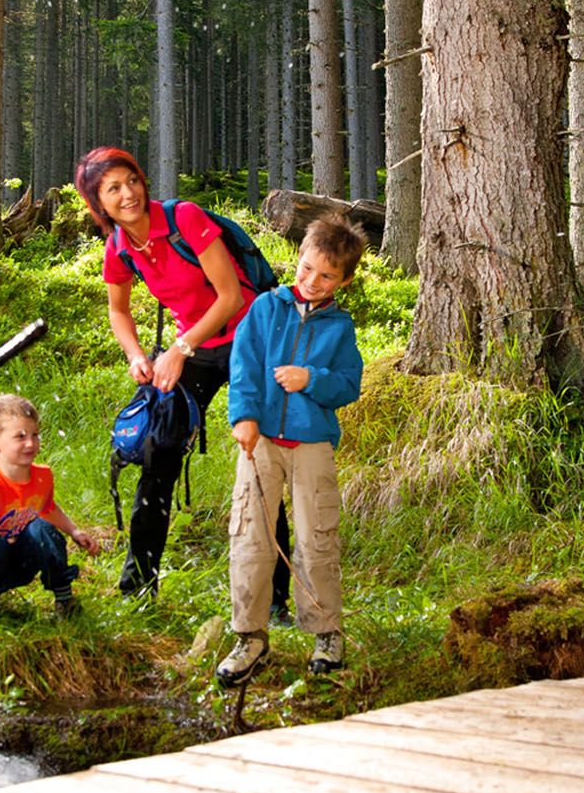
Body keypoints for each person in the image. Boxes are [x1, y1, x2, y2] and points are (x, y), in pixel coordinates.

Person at [75, 146, 292, 607]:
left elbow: (230, 295)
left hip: (249, 339)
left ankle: (275, 599)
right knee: (158, 455)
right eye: (113, 188)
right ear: (99, 203)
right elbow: (118, 310)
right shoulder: (117, 247)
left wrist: (179, 349)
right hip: (192, 348)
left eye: (131, 180)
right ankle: (139, 586)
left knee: (259, 459)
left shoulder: (184, 218)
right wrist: (136, 355)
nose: (128, 193)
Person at [216, 215, 367, 685]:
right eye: (306, 269)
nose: (312, 282)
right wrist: (243, 415)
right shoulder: (266, 309)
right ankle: (250, 635)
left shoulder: (341, 327)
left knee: (317, 536)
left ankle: (326, 631)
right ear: (296, 261)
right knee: (250, 536)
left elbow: (348, 385)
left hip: (312, 443)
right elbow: (242, 364)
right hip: (260, 441)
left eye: (326, 276)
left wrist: (312, 381)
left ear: (344, 280)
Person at [0, 393, 101, 617]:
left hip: (21, 562)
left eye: (35, 435)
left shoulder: (42, 476)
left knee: (42, 530)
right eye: (20, 436)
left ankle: (64, 597)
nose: (31, 443)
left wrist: (74, 531)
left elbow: (48, 508)